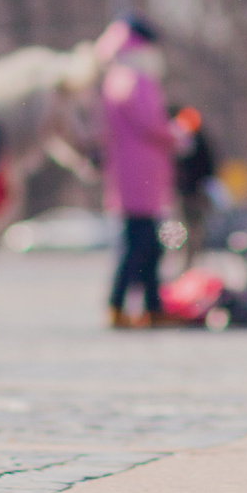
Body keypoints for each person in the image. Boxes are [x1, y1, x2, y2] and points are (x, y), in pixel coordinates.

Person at [95, 17, 176, 329]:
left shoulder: (116, 76)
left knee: (146, 245)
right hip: (141, 174)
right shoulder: (136, 79)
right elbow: (150, 123)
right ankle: (122, 305)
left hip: (129, 174)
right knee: (139, 246)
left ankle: (149, 305)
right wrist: (176, 134)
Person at [171, 107, 217, 274]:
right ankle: (187, 265)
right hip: (185, 194)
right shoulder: (183, 141)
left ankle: (192, 266)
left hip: (194, 194)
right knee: (185, 231)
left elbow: (208, 168)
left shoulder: (198, 141)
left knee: (194, 230)